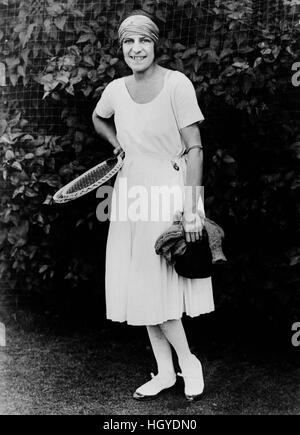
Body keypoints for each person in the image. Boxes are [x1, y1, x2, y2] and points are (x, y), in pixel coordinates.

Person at [92, 10, 214, 401]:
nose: (136, 48)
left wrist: (192, 208)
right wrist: (117, 145)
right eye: (128, 41)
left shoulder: (177, 84)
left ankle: (188, 363)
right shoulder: (115, 89)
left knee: (158, 290)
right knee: (144, 288)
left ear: (155, 44)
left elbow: (195, 149)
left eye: (143, 40)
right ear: (122, 48)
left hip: (168, 194)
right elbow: (99, 117)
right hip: (129, 195)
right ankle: (165, 372)